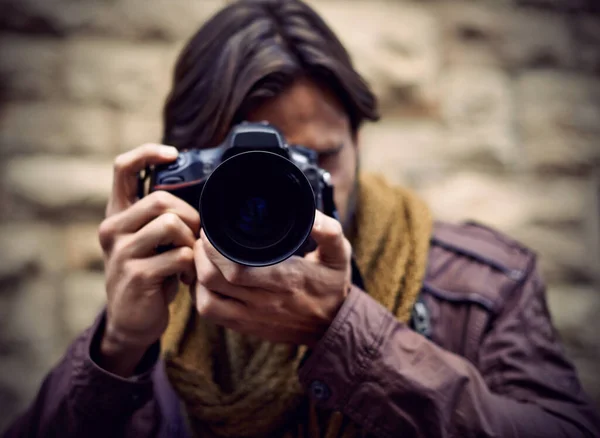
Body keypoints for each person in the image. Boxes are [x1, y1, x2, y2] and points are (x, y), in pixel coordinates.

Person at [4, 0, 600, 437]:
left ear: (359, 138)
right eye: (251, 170)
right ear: (180, 170)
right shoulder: (164, 297)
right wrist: (117, 348)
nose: (286, 187)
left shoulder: (483, 286)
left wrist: (349, 334)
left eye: (317, 158)